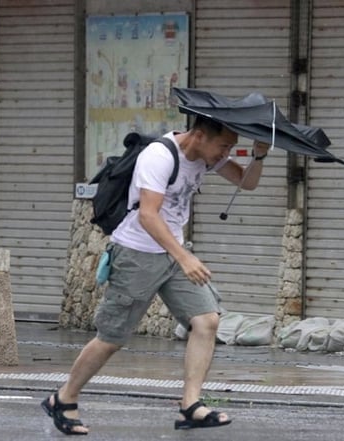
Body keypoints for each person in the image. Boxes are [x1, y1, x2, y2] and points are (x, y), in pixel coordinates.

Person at [42, 116, 270, 435]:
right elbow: (148, 215)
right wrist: (185, 257)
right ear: (200, 136)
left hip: (172, 252)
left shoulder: (207, 156)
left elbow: (247, 182)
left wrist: (259, 157)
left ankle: (190, 405)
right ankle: (64, 398)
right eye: (224, 145)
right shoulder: (159, 156)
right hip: (137, 255)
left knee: (206, 320)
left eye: (230, 147)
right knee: (111, 338)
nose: (227, 152)